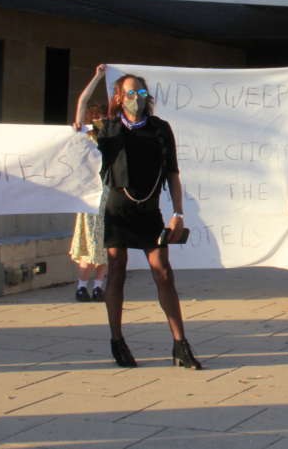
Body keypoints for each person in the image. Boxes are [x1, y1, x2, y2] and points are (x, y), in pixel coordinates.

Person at [77, 65, 201, 369]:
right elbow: (78, 119)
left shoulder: (160, 128)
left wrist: (178, 214)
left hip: (149, 210)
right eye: (130, 93)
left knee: (163, 271)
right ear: (119, 97)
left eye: (141, 92)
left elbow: (172, 172)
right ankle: (117, 340)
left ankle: (180, 344)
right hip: (116, 209)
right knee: (116, 268)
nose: (137, 98)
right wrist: (96, 78)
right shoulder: (108, 128)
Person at [68, 92, 109, 303]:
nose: (100, 119)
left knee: (105, 244)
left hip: (108, 195)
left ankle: (99, 286)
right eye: (97, 116)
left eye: (103, 116)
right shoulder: (85, 137)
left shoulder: (111, 137)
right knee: (89, 243)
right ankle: (82, 285)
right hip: (89, 196)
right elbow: (81, 102)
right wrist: (98, 77)